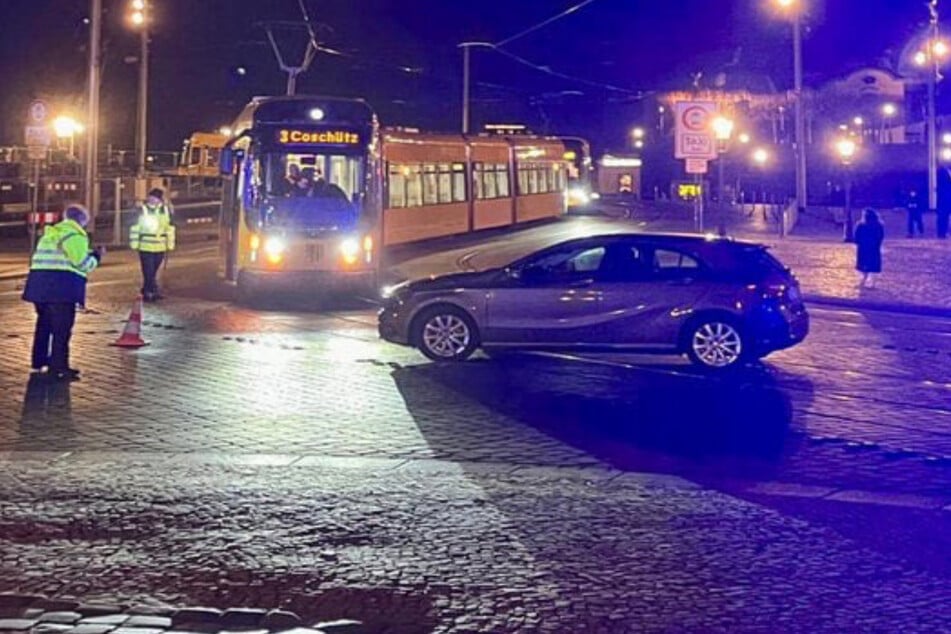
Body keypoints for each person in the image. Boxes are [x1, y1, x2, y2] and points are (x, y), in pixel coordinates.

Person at [21, 204, 102, 381]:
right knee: (62, 329)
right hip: (61, 289)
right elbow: (80, 263)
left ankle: (39, 360)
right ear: (82, 220)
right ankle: (59, 367)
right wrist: (96, 258)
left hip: (40, 288)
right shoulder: (76, 235)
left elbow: (58, 257)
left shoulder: (52, 233)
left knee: (44, 325)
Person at [129, 187, 175, 301]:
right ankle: (151, 292)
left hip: (160, 246)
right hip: (145, 246)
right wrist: (134, 244)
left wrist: (170, 244)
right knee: (148, 271)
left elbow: (169, 228)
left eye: (155, 198)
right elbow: (135, 228)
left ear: (160, 200)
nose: (152, 200)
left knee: (154, 271)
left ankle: (147, 290)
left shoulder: (165, 210)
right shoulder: (142, 210)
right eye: (151, 197)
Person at [854, 208, 885, 289]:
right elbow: (880, 236)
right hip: (872, 247)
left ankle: (864, 282)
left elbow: (856, 236)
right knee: (872, 265)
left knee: (865, 265)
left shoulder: (861, 225)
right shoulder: (878, 225)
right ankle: (871, 283)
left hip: (864, 247)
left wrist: (859, 243)